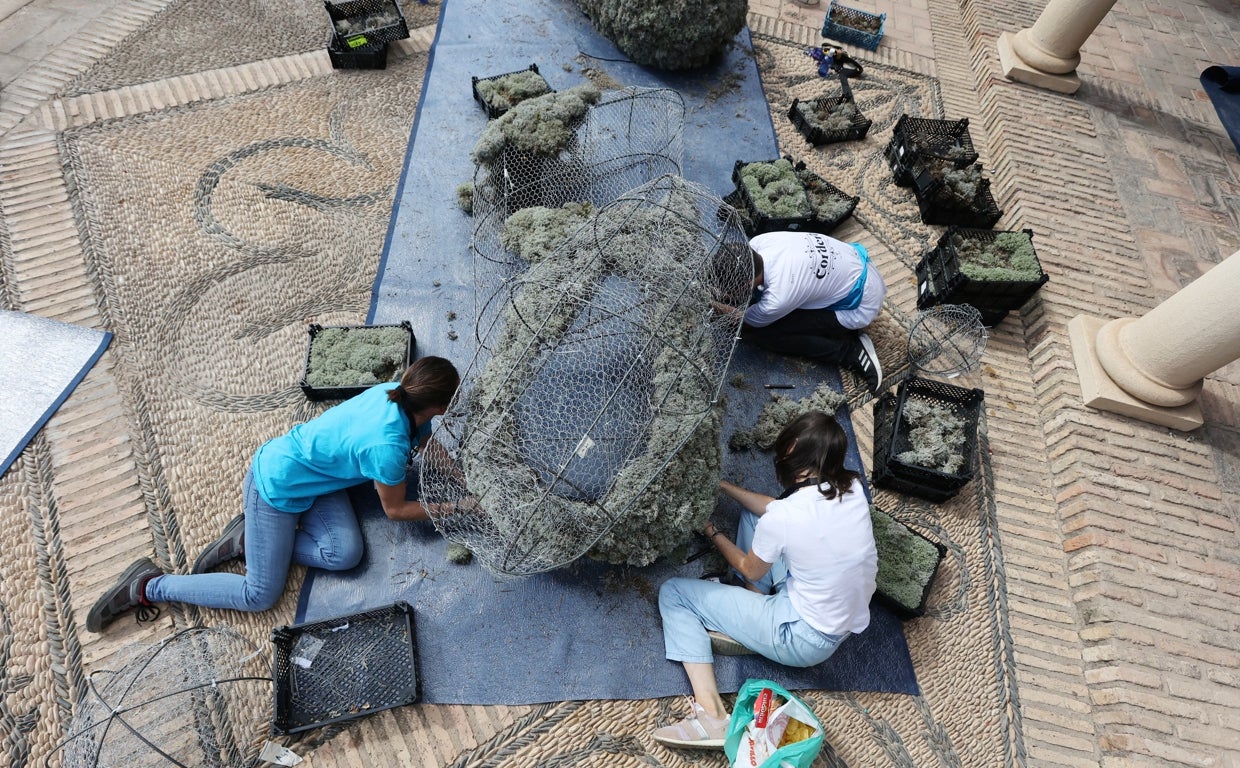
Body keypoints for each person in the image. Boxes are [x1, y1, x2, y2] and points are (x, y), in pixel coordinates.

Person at [86, 355, 462, 633]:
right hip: (276, 486)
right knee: (259, 595)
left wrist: (460, 478)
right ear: (441, 407)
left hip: (319, 480)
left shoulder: (394, 393)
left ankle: (251, 542)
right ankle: (149, 585)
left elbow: (427, 440)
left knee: (345, 553)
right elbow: (395, 510)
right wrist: (457, 508)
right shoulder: (388, 447)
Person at [652, 411, 877, 749]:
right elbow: (776, 511)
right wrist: (723, 487)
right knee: (754, 516)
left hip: (803, 636)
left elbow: (749, 563)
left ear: (800, 469)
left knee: (673, 594)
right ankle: (750, 606)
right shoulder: (853, 486)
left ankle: (712, 716)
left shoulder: (786, 518)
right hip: (832, 613)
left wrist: (710, 530)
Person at [724, 230, 886, 393]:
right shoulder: (759, 242)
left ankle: (851, 352)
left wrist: (713, 304)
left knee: (769, 333)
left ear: (746, 282)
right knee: (769, 303)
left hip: (862, 303)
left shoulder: (777, 297)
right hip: (853, 263)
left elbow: (743, 321)